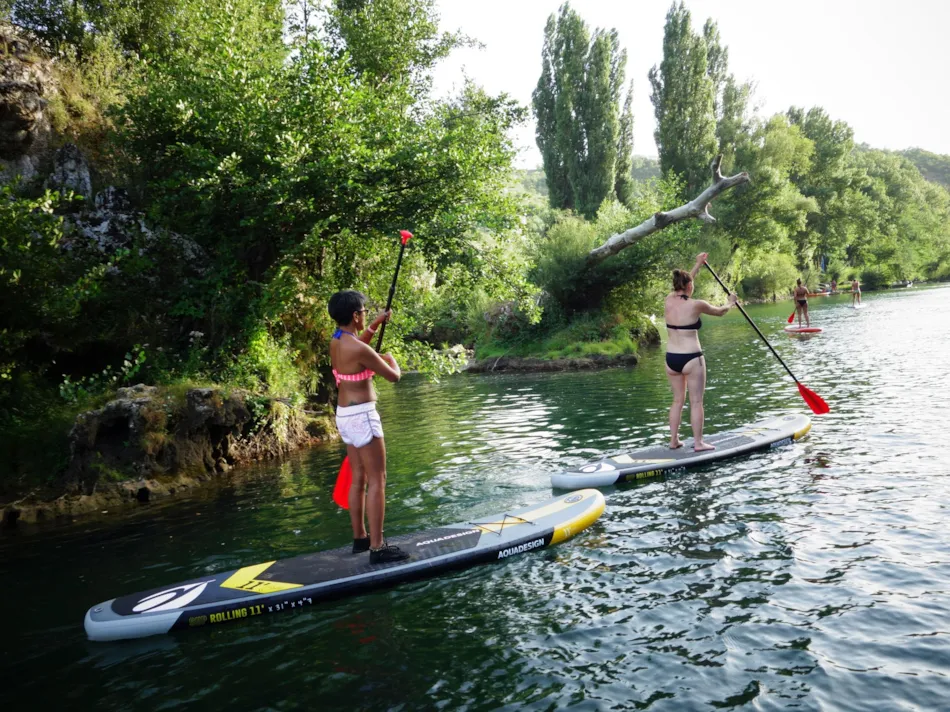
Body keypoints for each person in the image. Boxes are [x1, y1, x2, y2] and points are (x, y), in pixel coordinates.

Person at [328, 290, 408, 564]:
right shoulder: (360, 350)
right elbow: (394, 377)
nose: (364, 315)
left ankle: (360, 539)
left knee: (359, 477)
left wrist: (374, 325)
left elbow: (357, 347)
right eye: (363, 312)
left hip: (344, 416)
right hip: (363, 416)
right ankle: (378, 547)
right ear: (353, 315)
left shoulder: (337, 342)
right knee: (378, 480)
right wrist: (390, 360)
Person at [664, 253, 738, 451]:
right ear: (689, 286)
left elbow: (687, 281)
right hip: (691, 358)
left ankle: (673, 441)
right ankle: (698, 443)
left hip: (671, 359)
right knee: (696, 401)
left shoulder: (669, 299)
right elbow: (720, 311)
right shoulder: (697, 305)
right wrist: (731, 301)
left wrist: (697, 264)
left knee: (677, 400)